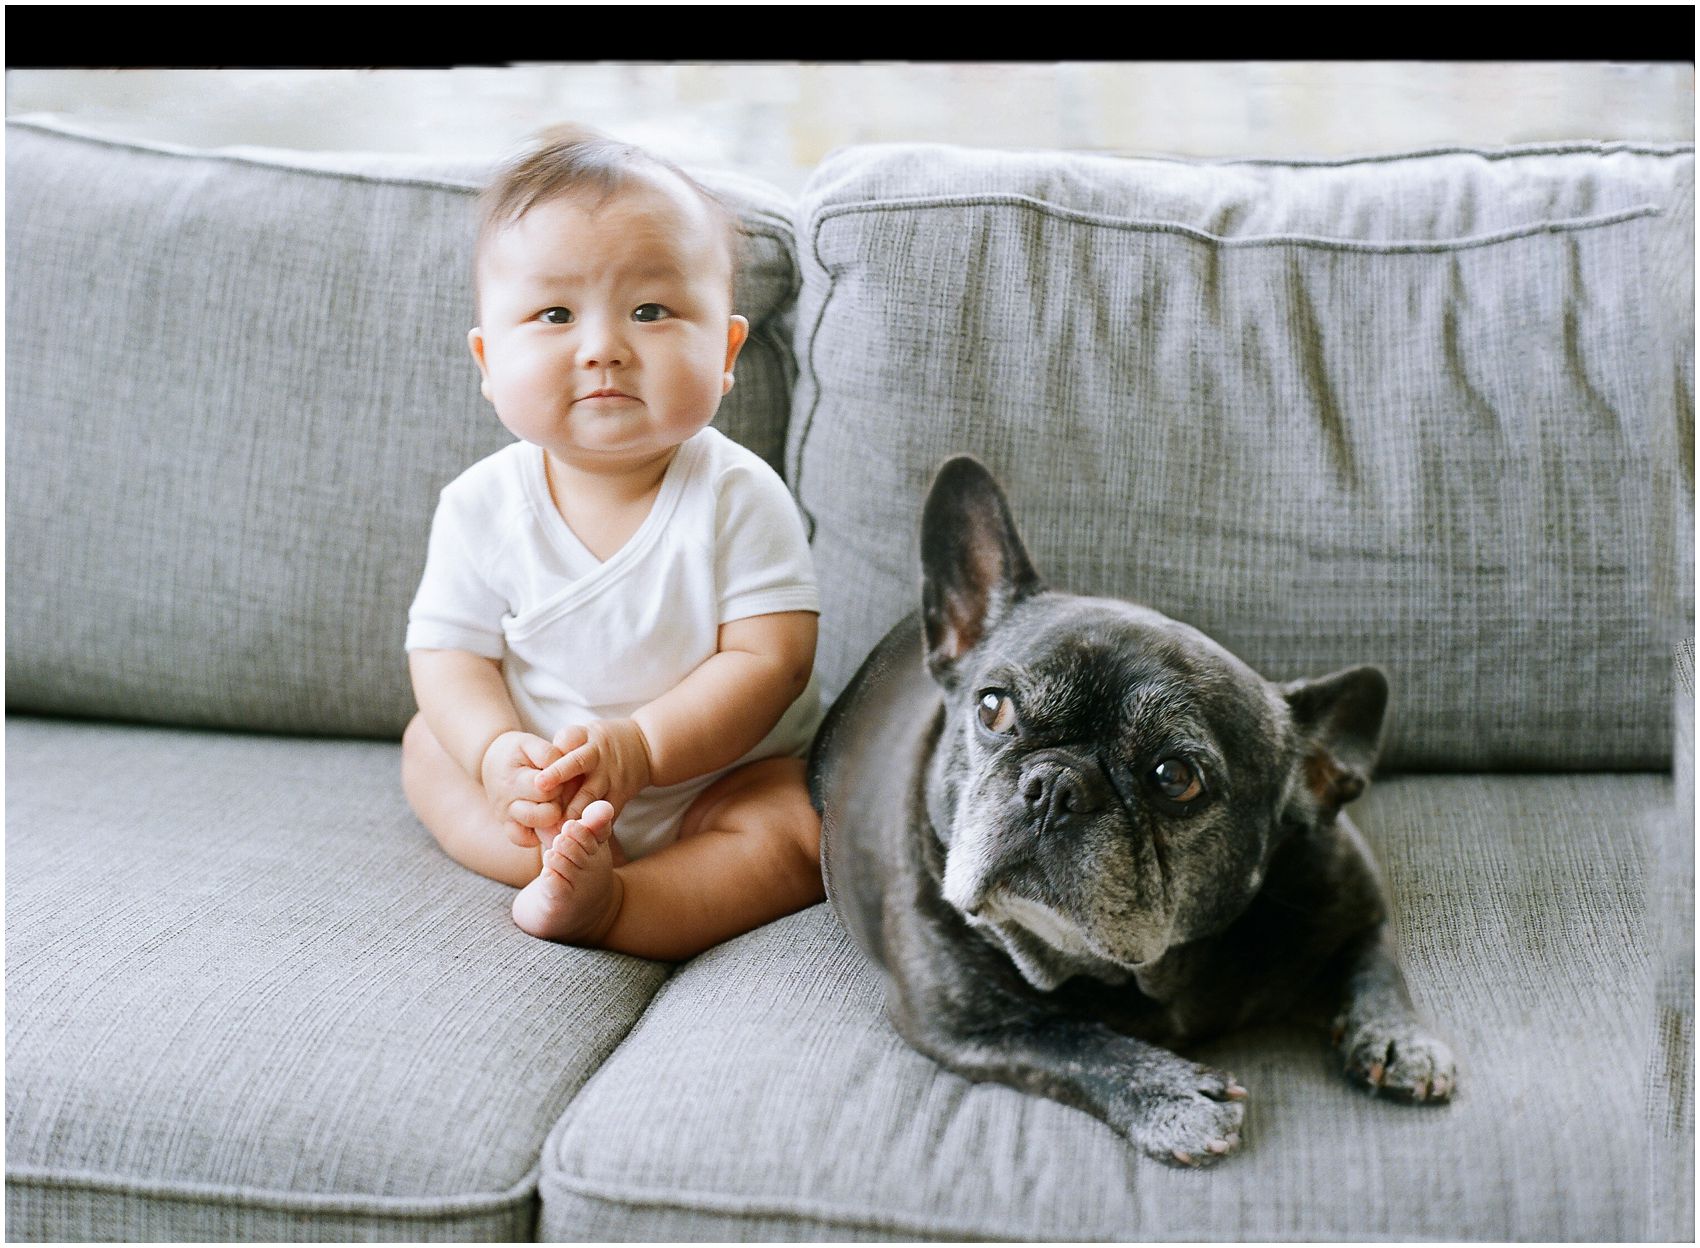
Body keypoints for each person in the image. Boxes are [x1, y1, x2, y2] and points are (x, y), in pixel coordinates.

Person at [401, 127, 825, 960]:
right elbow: (450, 656)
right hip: (550, 777)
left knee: (796, 831)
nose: (603, 347)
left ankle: (622, 903)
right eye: (555, 314)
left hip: (718, 777)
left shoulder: (739, 495)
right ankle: (560, 857)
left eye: (651, 311)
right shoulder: (481, 506)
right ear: (488, 363)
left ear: (727, 349)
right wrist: (495, 758)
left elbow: (772, 661)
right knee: (428, 747)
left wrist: (643, 748)